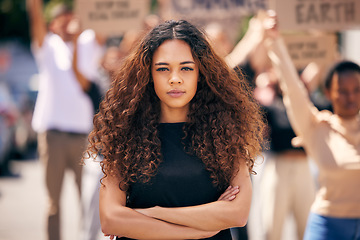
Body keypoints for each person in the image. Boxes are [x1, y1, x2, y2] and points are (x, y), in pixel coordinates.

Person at [85, 19, 266, 239]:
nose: (175, 79)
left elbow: (237, 214)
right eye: (163, 69)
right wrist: (201, 229)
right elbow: (111, 219)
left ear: (201, 72)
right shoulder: (124, 133)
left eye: (186, 68)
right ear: (148, 74)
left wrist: (154, 213)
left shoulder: (226, 133)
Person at [264, 12, 360, 240]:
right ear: (328, 93)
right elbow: (293, 88)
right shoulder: (317, 127)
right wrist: (275, 41)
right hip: (327, 227)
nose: (351, 97)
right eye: (342, 91)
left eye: (357, 90)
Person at [26, 0, 104, 239]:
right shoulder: (48, 46)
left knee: (89, 197)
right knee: (53, 202)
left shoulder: (87, 43)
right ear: (53, 25)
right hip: (53, 135)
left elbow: (104, 22)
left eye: (73, 17)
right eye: (64, 19)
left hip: (84, 137)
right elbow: (36, 20)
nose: (70, 22)